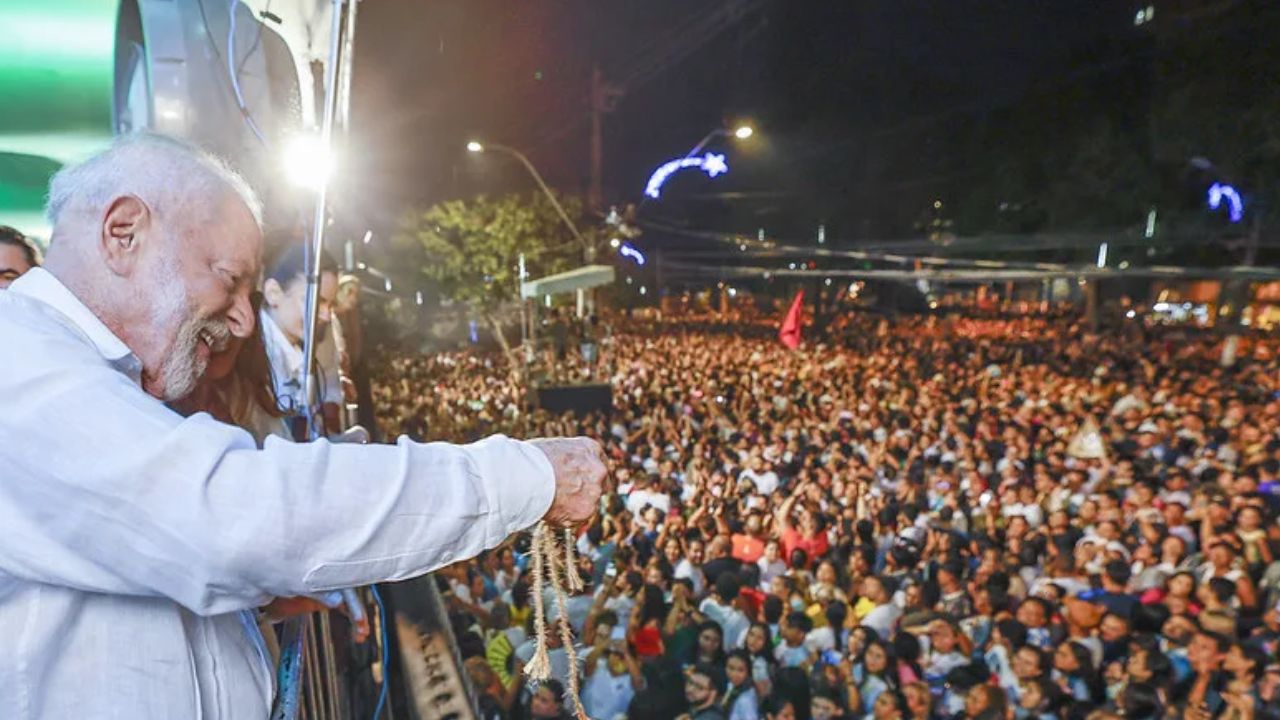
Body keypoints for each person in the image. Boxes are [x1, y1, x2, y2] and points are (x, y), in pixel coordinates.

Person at [0, 134, 606, 719]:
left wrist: (256, 601)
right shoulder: (17, 361)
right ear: (123, 233)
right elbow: (230, 516)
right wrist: (523, 476)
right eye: (228, 278)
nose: (242, 321)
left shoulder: (88, 377)